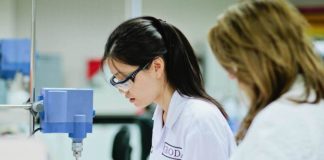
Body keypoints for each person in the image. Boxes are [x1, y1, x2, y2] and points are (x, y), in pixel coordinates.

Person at [101, 16, 236, 160]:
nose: (124, 90)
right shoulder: (162, 116)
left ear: (157, 67)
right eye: (118, 81)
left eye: (126, 78)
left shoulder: (199, 120)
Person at [208, 0, 324, 160]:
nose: (231, 76)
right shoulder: (312, 101)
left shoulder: (278, 123)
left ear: (255, 61)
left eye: (233, 65)